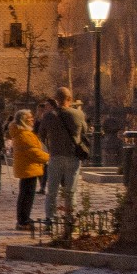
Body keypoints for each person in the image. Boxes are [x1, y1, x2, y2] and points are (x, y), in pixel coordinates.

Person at [37, 88, 89, 233]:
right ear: (69, 99)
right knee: (70, 191)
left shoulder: (49, 116)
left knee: (52, 191)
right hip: (73, 156)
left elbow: (41, 135)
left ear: (56, 99)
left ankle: (50, 221)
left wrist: (50, 146)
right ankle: (70, 221)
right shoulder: (78, 114)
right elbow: (84, 131)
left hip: (55, 156)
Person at [9, 109, 50, 230]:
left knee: (25, 195)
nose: (32, 120)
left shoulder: (22, 133)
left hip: (28, 167)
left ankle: (24, 219)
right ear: (24, 121)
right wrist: (48, 157)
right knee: (27, 196)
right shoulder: (24, 135)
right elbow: (33, 152)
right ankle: (23, 220)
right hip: (29, 168)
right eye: (30, 118)